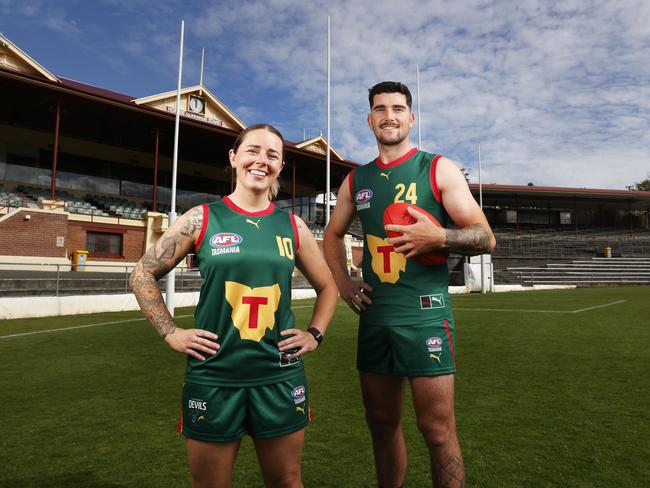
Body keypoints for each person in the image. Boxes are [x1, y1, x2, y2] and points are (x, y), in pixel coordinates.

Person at [130, 123, 338, 488]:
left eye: (272, 154)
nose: (262, 160)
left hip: (279, 376)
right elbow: (142, 274)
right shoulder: (201, 218)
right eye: (253, 150)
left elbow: (328, 286)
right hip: (214, 377)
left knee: (288, 482)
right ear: (234, 158)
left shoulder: (294, 226)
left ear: (281, 166)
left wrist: (314, 334)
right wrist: (170, 332)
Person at [323, 81, 496, 488]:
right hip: (376, 317)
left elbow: (486, 237)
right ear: (370, 120)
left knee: (436, 429)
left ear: (411, 118)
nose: (389, 116)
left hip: (426, 317)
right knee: (381, 426)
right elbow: (331, 236)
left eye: (398, 108)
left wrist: (441, 238)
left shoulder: (437, 168)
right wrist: (345, 282)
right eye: (380, 109)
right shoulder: (355, 180)